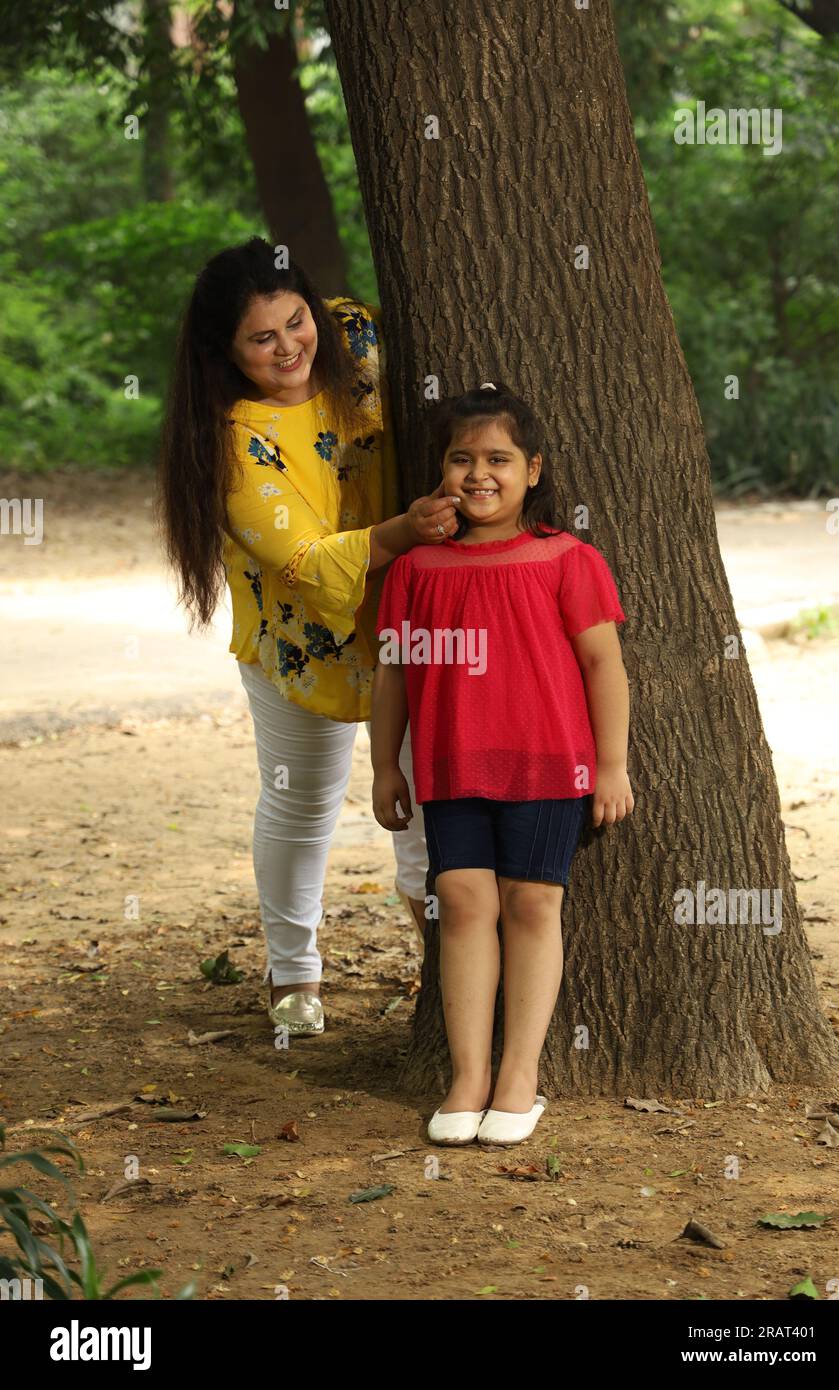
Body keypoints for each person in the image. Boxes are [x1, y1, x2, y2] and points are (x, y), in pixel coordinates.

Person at [157, 236, 461, 1035]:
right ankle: (294, 977)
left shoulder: (356, 335)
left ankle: (446, 973)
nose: (290, 346)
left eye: (295, 322)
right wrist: (402, 529)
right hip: (300, 642)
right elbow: (301, 559)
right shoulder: (233, 439)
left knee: (426, 796)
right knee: (303, 805)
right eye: (262, 338)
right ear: (226, 352)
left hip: (405, 622)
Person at [371, 382, 634, 1146]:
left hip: (550, 764)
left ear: (533, 468)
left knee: (531, 906)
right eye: (461, 459)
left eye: (498, 458)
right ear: (440, 471)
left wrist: (611, 765)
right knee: (459, 902)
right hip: (452, 767)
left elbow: (603, 667)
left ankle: (520, 1074)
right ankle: (468, 1075)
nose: (478, 473)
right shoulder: (416, 568)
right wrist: (389, 767)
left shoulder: (567, 559)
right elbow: (393, 673)